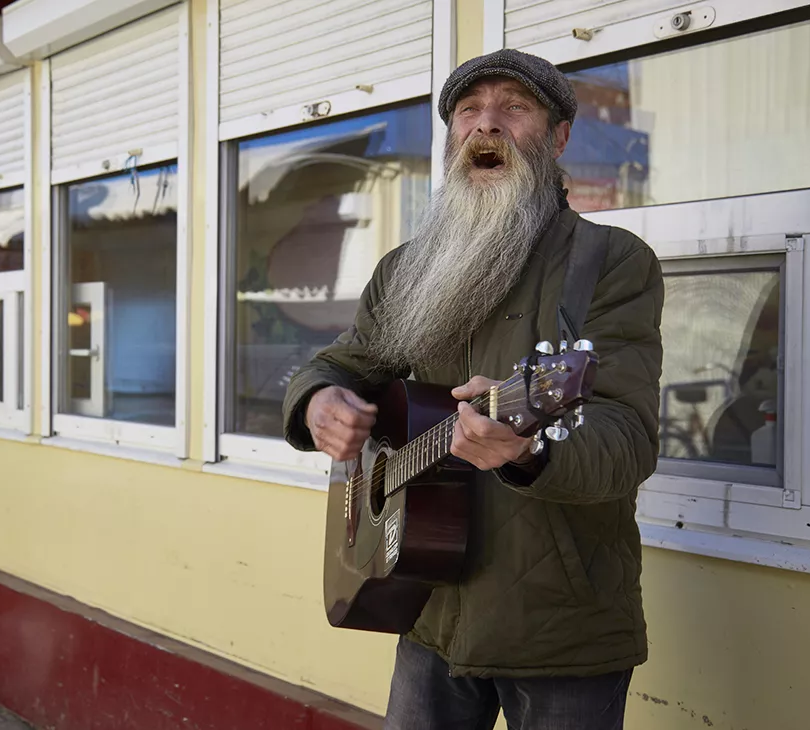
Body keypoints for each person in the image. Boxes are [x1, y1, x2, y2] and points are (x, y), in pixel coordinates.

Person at [283, 49, 664, 729]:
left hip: (561, 631)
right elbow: (347, 362)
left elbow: (626, 441)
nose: (486, 125)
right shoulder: (407, 268)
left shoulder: (611, 262)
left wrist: (528, 452)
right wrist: (317, 399)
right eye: (468, 111)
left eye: (513, 108)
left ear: (557, 137)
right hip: (423, 602)